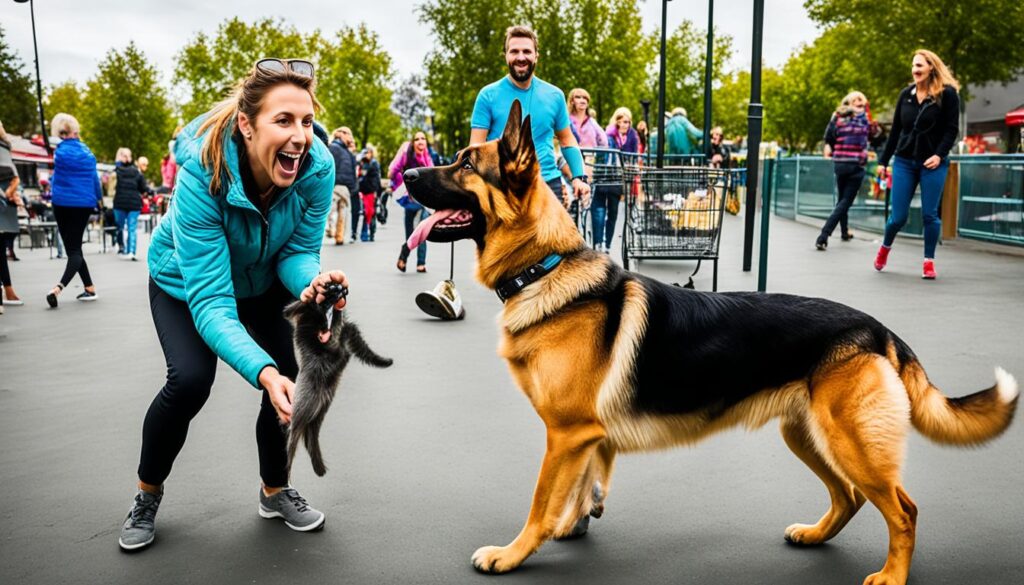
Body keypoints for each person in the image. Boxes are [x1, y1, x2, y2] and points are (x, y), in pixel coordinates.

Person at [118, 58, 350, 551]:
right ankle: (147, 493)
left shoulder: (317, 166)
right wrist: (262, 374)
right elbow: (213, 305)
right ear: (247, 125)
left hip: (263, 278)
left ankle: (275, 489)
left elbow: (298, 251)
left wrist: (312, 284)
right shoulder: (202, 174)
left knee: (292, 372)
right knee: (190, 381)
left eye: (306, 122)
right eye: (283, 121)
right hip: (186, 285)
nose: (299, 136)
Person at [469, 25, 591, 207]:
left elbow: (567, 140)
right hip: (503, 189)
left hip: (548, 186)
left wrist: (579, 178)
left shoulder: (555, 95)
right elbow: (476, 148)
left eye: (527, 51)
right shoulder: (488, 95)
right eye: (514, 51)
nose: (520, 57)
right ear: (506, 56)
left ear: (536, 56)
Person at [875, 49, 960, 279]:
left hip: (932, 163)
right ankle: (885, 247)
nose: (915, 70)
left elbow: (952, 129)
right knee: (898, 217)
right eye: (913, 66)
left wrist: (939, 155)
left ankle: (928, 262)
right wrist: (883, 161)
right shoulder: (906, 95)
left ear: (931, 67)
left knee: (929, 214)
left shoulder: (947, 95)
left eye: (920, 65)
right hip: (904, 161)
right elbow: (895, 132)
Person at [45, 113, 103, 307]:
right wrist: (100, 201)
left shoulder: (58, 152)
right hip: (84, 203)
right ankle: (90, 288)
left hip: (61, 202)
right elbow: (95, 180)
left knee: (72, 249)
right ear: (76, 131)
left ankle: (58, 288)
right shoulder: (88, 154)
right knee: (75, 248)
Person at [816, 93, 871, 251]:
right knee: (845, 201)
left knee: (842, 199)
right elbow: (872, 134)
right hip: (856, 164)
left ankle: (844, 231)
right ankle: (824, 235)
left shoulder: (837, 117)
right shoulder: (863, 118)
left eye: (861, 99)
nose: (860, 102)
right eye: (857, 99)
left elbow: (829, 136)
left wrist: (835, 148)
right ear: (849, 103)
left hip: (840, 163)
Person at [591, 107, 639, 253]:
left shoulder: (632, 137)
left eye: (627, 122)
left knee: (613, 212)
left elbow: (633, 157)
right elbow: (600, 154)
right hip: (603, 176)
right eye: (622, 121)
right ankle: (598, 243)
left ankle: (607, 245)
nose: (625, 125)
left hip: (618, 179)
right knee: (599, 210)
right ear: (616, 121)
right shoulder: (608, 136)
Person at [391, 131, 435, 273]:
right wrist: (404, 185)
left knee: (422, 229)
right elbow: (393, 171)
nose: (420, 141)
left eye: (423, 138)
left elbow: (434, 176)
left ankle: (420, 262)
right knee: (410, 232)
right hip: (409, 198)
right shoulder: (407, 155)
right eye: (417, 139)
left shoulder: (428, 157)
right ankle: (404, 257)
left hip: (425, 200)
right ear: (413, 143)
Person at [0, 121, 24, 311]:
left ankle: (6, 291)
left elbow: (14, 176)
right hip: (5, 201)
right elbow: (15, 176)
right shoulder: (6, 147)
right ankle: (7, 290)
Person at [112, 147, 150, 261]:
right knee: (132, 228)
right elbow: (143, 189)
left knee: (120, 227)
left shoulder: (116, 171)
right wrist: (149, 192)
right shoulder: (137, 172)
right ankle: (131, 251)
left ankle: (121, 247)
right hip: (134, 204)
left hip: (120, 203)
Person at [327, 127, 358, 245]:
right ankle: (329, 229)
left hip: (346, 186)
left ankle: (339, 236)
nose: (350, 137)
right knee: (331, 209)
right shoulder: (333, 148)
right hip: (336, 184)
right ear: (341, 134)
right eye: (348, 134)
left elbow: (353, 169)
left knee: (343, 212)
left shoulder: (347, 151)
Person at [357, 144, 380, 242]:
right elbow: (360, 175)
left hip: (370, 190)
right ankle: (366, 233)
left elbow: (375, 179)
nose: (367, 154)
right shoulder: (363, 163)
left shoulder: (373, 164)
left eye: (368, 152)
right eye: (366, 152)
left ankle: (369, 233)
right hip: (364, 190)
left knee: (369, 212)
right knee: (368, 212)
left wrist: (376, 191)